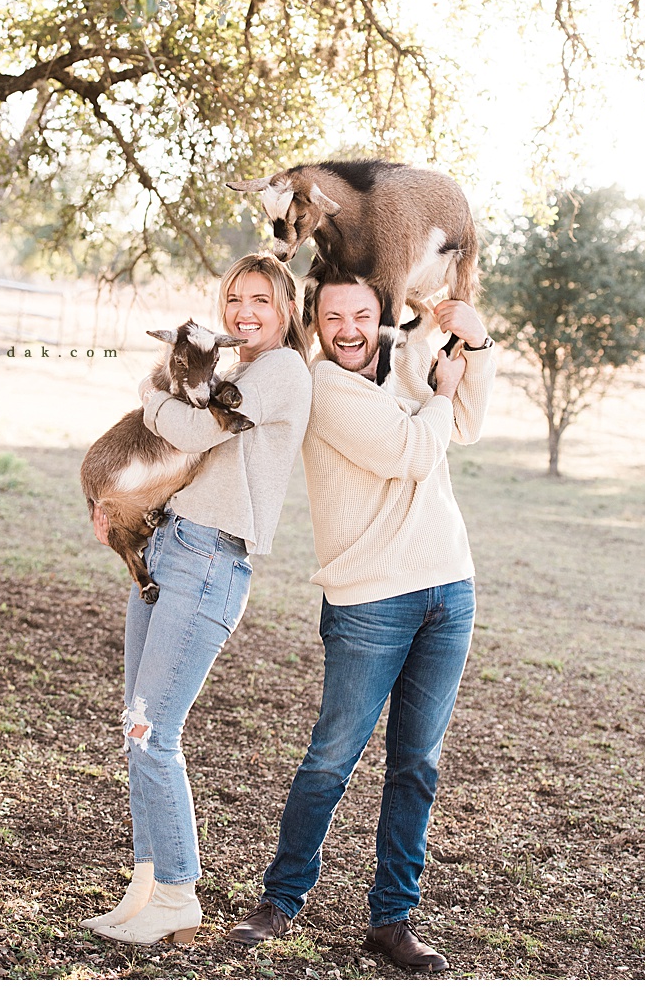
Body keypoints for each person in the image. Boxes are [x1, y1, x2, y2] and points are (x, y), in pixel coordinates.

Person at [225, 278, 495, 972]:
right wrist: (440, 394)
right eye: (334, 316)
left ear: (381, 317)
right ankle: (280, 901)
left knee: (417, 764)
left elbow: (465, 425)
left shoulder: (406, 362)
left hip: (449, 586)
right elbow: (413, 451)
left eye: (362, 315)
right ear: (315, 323)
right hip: (370, 599)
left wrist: (478, 344)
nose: (348, 328)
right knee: (331, 758)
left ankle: (391, 919)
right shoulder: (324, 386)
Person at [84, 253, 313, 945]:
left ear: (287, 310)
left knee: (153, 734)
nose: (245, 311)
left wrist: (149, 392)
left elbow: (189, 429)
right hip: (170, 546)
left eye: (261, 300)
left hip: (210, 561)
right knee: (136, 728)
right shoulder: (233, 367)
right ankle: (147, 886)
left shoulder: (280, 371)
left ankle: (179, 894)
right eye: (235, 299)